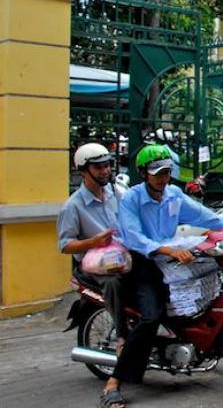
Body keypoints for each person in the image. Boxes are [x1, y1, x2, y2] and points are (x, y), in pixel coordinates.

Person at [100, 144, 223, 408]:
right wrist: (166, 248)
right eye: (157, 172)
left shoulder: (173, 194)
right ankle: (114, 381)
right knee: (151, 316)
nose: (163, 177)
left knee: (220, 288)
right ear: (142, 173)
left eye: (167, 172)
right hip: (142, 262)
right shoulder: (132, 199)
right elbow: (134, 237)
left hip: (172, 259)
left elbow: (201, 214)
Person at [58, 143, 128, 355]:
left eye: (107, 165)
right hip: (95, 264)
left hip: (122, 256)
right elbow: (65, 245)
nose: (105, 170)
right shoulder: (73, 206)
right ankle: (122, 336)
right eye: (98, 167)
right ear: (83, 171)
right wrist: (93, 242)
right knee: (113, 282)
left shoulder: (116, 192)